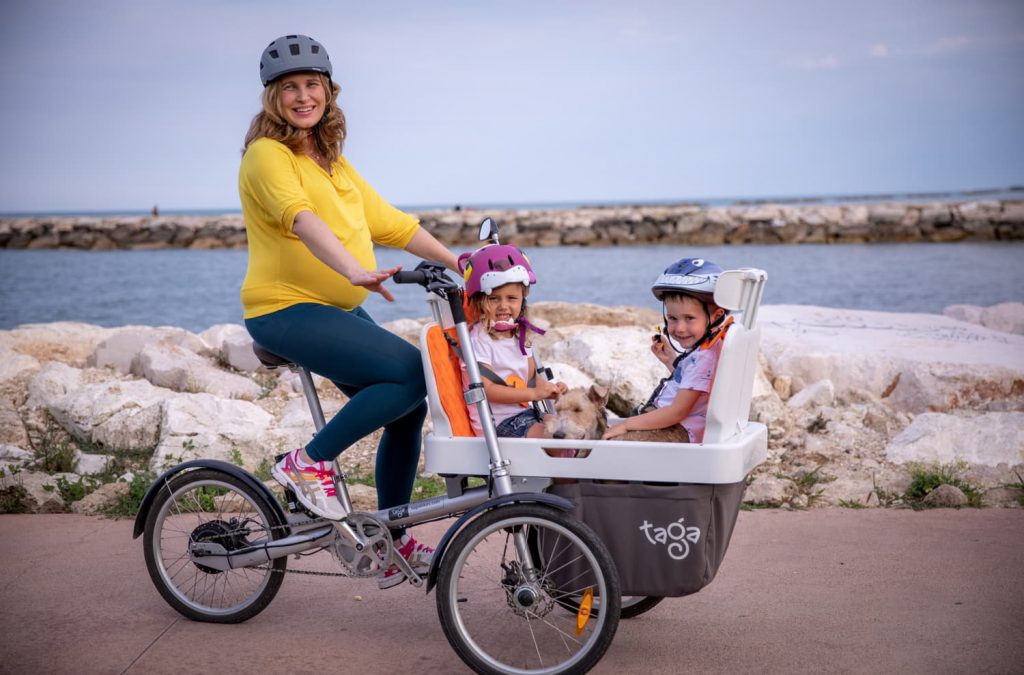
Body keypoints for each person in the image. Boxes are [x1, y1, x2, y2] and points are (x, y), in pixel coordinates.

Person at [238, 34, 459, 589]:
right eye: (290, 88)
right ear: (273, 98)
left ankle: (391, 532)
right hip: (285, 309)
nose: (303, 96)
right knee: (408, 371)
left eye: (312, 85)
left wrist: (464, 263)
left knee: (409, 403)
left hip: (334, 308)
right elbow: (302, 219)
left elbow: (394, 224)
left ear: (329, 92)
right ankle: (307, 464)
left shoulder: (332, 160)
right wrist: (353, 271)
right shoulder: (268, 155)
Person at [603, 258, 730, 444]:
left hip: (677, 430)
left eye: (689, 318)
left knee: (607, 441)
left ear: (716, 316)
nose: (679, 328)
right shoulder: (706, 350)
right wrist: (671, 360)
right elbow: (696, 386)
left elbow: (677, 412)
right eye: (672, 318)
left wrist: (627, 424)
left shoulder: (704, 357)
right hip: (674, 425)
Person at [458, 243, 567, 438]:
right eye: (494, 299)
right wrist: (533, 395)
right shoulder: (478, 340)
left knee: (573, 428)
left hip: (526, 415)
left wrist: (550, 389)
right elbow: (488, 389)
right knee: (556, 438)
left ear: (522, 300)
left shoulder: (520, 335)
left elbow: (531, 380)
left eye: (511, 298)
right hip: (498, 423)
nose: (503, 306)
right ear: (479, 301)